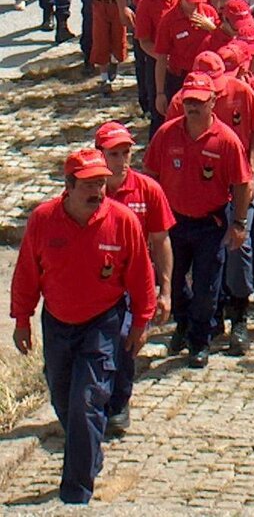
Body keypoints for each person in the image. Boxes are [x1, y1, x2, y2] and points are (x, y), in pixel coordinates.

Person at [10, 147, 156, 506]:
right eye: (89, 185)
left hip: (103, 321)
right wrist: (22, 319)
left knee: (87, 399)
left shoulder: (122, 221)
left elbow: (141, 275)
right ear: (69, 185)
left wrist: (141, 322)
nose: (97, 192)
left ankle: (76, 493)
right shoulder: (44, 220)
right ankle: (90, 455)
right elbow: (28, 273)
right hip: (58, 321)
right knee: (62, 397)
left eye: (102, 184)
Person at [144, 71, 253, 368]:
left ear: (213, 102)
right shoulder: (166, 134)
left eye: (199, 101)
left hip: (210, 224)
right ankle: (183, 323)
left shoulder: (227, 141)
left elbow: (242, 183)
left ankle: (199, 342)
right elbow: (151, 175)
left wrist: (240, 223)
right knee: (173, 281)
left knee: (206, 286)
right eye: (189, 100)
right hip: (173, 222)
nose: (193, 107)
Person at [92, 121, 174, 435]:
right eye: (114, 154)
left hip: (133, 284)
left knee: (126, 343)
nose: (122, 161)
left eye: (127, 153)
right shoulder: (87, 192)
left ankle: (118, 403)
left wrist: (164, 290)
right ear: (99, 155)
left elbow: (161, 240)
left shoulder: (147, 190)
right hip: (96, 283)